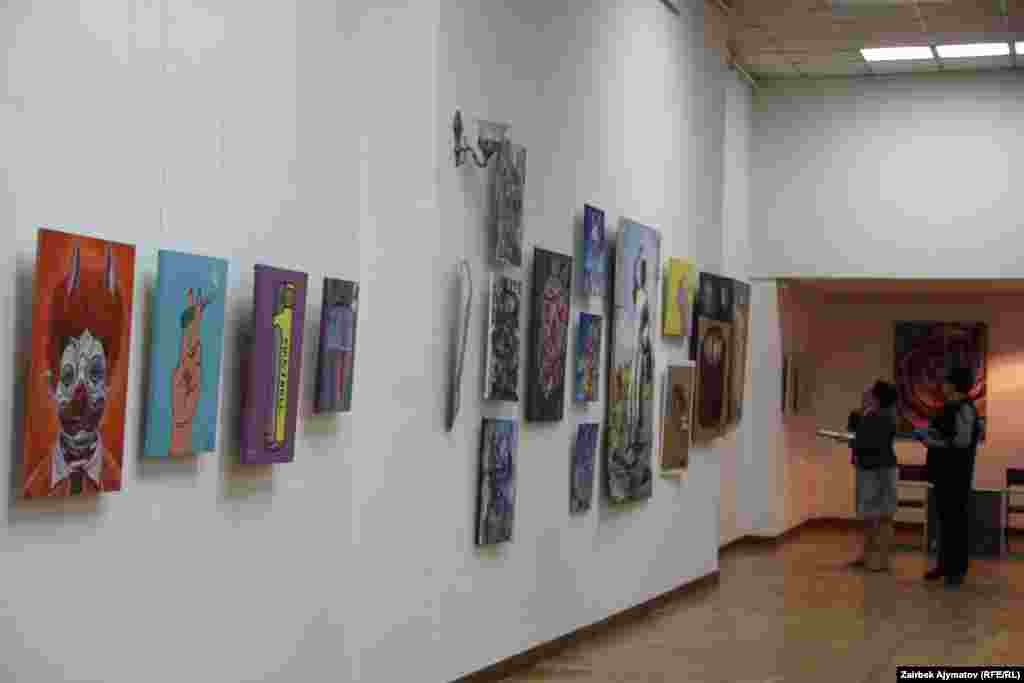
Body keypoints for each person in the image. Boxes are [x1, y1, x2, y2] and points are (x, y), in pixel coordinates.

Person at [920, 367, 981, 587]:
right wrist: (930, 434)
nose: (942, 385)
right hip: (944, 473)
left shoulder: (964, 408)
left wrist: (930, 441)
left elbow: (961, 442)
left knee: (956, 521)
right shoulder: (949, 407)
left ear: (954, 385)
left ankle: (956, 570)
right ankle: (944, 565)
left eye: (946, 381)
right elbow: (944, 433)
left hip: (957, 474)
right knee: (946, 521)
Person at [850, 381, 900, 571]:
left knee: (879, 516)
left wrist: (854, 442)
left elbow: (865, 442)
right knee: (878, 516)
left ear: (877, 398)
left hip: (875, 471)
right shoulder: (886, 415)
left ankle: (880, 560)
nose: (867, 396)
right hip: (882, 468)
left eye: (871, 394)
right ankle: (872, 557)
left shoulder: (878, 416)